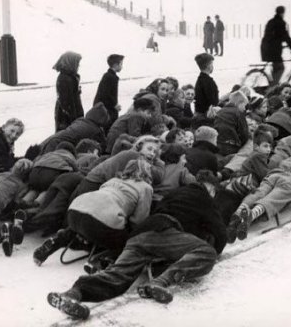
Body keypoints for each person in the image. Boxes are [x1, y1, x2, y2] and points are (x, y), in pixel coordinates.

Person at [46, 170, 226, 320]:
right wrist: (213, 251)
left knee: (117, 277)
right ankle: (161, 282)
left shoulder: (175, 193)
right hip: (165, 232)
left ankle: (73, 294)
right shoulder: (204, 197)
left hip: (139, 235)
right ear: (210, 188)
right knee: (206, 252)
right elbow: (220, 233)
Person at [32, 159, 154, 267]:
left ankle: (56, 241)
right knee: (125, 242)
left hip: (76, 209)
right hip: (103, 221)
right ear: (147, 173)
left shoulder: (113, 180)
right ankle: (101, 260)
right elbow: (139, 220)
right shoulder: (145, 187)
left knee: (82, 225)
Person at [39, 103, 109, 155]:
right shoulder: (95, 130)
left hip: (50, 141)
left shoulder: (81, 120)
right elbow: (104, 147)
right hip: (55, 147)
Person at [260, 6, 291, 86]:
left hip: (265, 48)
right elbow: (286, 38)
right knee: (281, 68)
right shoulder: (281, 23)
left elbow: (274, 36)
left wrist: (281, 45)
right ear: (282, 13)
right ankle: (273, 89)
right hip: (272, 50)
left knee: (276, 68)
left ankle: (272, 85)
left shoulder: (271, 21)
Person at [53, 51, 84, 132]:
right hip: (66, 119)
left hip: (70, 117)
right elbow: (67, 103)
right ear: (71, 63)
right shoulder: (65, 78)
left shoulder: (70, 77)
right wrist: (75, 120)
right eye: (77, 63)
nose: (78, 65)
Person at [214, 91, 250, 157]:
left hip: (217, 145)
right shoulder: (238, 113)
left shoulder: (220, 111)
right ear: (240, 103)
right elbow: (244, 134)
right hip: (231, 148)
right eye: (244, 105)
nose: (244, 109)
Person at [93, 54, 124, 128]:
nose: (122, 66)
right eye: (121, 64)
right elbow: (106, 94)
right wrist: (114, 105)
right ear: (116, 65)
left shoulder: (108, 75)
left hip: (104, 107)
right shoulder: (112, 77)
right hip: (107, 109)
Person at [193, 53, 219, 128]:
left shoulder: (200, 80)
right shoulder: (208, 82)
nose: (212, 66)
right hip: (206, 118)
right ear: (208, 65)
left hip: (200, 115)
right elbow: (213, 102)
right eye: (212, 64)